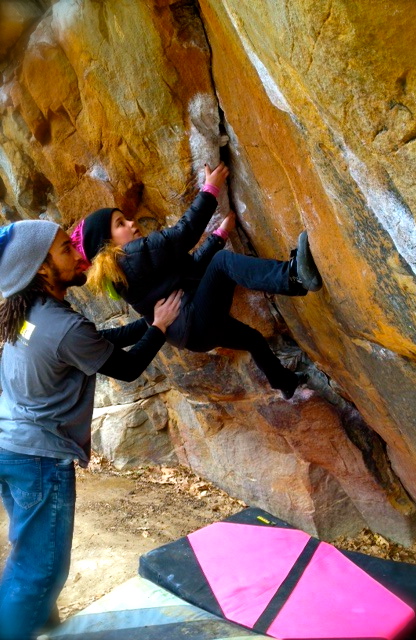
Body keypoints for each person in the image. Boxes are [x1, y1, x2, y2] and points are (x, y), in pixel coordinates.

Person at [0, 219, 182, 640]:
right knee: (41, 569)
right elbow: (127, 367)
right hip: (38, 459)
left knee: (30, 558)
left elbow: (95, 341)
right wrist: (159, 327)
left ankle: (40, 627)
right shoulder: (62, 326)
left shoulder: (25, 314)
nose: (78, 253)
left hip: (9, 446)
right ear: (41, 268)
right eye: (66, 248)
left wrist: (148, 323)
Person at [72, 161, 323, 400]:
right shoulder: (129, 257)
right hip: (194, 320)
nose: (131, 223)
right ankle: (293, 276)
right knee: (223, 262)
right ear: (107, 245)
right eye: (120, 224)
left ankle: (285, 383)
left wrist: (219, 235)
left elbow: (191, 269)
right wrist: (210, 189)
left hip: (194, 332)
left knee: (252, 339)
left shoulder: (128, 273)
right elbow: (183, 234)